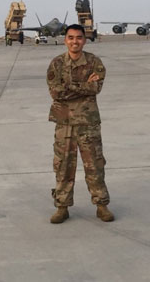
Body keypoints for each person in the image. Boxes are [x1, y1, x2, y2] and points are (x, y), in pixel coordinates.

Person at [45, 24, 113, 224]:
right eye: (71, 38)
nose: (75, 41)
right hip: (64, 123)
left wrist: (71, 87)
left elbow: (96, 87)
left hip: (87, 123)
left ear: (84, 40)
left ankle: (102, 205)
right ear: (65, 40)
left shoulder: (94, 62)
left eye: (79, 38)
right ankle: (62, 207)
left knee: (95, 165)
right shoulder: (56, 64)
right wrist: (85, 86)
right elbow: (56, 92)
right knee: (63, 166)